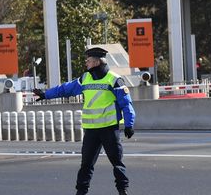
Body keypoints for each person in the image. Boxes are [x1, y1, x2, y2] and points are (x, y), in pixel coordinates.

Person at [33, 47, 135, 195]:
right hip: (91, 131)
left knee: (117, 163)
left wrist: (129, 124)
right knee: (86, 164)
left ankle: (122, 190)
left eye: (88, 61)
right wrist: (45, 94)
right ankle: (81, 192)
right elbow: (65, 89)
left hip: (109, 129)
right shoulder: (85, 78)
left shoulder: (115, 80)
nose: (86, 63)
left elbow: (126, 103)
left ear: (96, 61)